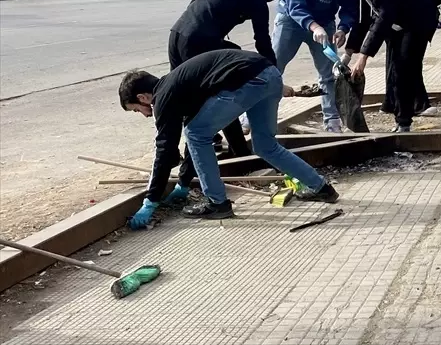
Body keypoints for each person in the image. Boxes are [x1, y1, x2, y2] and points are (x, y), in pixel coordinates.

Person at [120, 48, 338, 225]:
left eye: (136, 109)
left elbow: (165, 150)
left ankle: (218, 203)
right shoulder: (179, 85)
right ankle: (322, 188)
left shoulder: (164, 97)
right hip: (269, 75)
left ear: (143, 97)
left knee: (196, 134)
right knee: (264, 145)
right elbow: (191, 140)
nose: (144, 114)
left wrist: (150, 201)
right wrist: (184, 184)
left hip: (249, 81)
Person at [167, 0, 291, 186]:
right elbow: (262, 41)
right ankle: (232, 156)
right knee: (221, 93)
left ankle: (210, 147)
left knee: (179, 97)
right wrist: (274, 73)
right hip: (197, 42)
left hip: (176, 35)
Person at [329, 0, 441, 132]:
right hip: (399, 22)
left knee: (404, 69)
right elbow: (364, 21)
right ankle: (399, 115)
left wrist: (364, 57)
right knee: (394, 69)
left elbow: (384, 17)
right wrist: (348, 54)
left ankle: (404, 123)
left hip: (419, 21)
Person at [273, 0, 359, 133]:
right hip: (291, 21)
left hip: (326, 22)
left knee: (329, 73)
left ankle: (332, 122)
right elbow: (295, 4)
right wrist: (313, 27)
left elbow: (349, 6)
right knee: (271, 69)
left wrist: (343, 28)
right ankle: (250, 119)